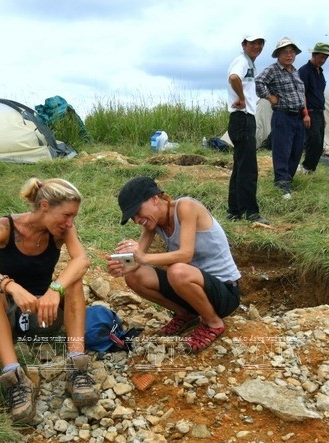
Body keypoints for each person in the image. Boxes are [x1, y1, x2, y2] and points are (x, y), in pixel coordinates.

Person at [0, 177, 98, 423]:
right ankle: (14, 378)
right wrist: (11, 287)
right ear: (45, 206)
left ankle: (76, 366)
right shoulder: (5, 226)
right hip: (10, 317)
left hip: (44, 316)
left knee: (74, 281)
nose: (70, 223)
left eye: (74, 217)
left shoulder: (63, 230)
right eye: (66, 215)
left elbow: (81, 260)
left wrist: (55, 289)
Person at [107, 176, 241, 353]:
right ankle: (186, 315)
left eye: (137, 212)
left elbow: (185, 255)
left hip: (225, 291)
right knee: (134, 277)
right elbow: (137, 262)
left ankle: (213, 323)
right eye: (132, 217)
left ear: (155, 199)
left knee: (177, 270)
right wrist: (122, 267)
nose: (137, 220)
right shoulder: (153, 223)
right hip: (191, 291)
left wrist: (142, 257)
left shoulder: (186, 207)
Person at [255, 37, 309, 199]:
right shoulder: (273, 70)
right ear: (278, 54)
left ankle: (288, 179)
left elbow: (301, 94)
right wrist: (270, 97)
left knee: (296, 150)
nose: (289, 55)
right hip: (283, 115)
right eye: (285, 52)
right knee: (282, 150)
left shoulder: (295, 71)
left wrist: (306, 113)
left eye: (292, 52)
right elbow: (258, 82)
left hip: (298, 116)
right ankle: (281, 182)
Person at [226, 33, 270, 226]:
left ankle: (234, 210)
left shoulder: (250, 63)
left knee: (240, 166)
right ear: (244, 44)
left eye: (260, 43)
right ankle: (250, 212)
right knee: (249, 169)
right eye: (253, 43)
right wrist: (242, 99)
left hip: (242, 119)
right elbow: (234, 77)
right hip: (242, 118)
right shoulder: (242, 61)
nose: (257, 46)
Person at [298, 42, 329, 174]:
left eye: (325, 58)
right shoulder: (304, 71)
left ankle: (311, 169)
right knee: (313, 140)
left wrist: (323, 116)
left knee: (319, 144)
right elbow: (302, 94)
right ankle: (306, 167)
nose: (323, 60)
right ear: (314, 55)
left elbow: (319, 95)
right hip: (309, 111)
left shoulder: (320, 73)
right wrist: (305, 113)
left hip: (319, 112)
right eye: (321, 57)